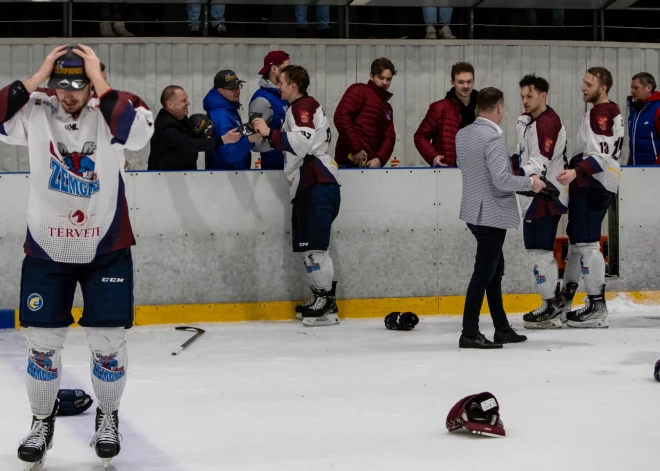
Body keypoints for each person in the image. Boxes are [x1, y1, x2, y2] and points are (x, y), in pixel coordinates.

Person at [0, 44, 154, 468]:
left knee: (107, 344)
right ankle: (40, 422)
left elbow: (138, 136)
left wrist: (99, 81)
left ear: (93, 81)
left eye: (78, 84)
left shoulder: (118, 106)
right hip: (48, 249)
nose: (67, 94)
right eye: (60, 84)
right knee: (42, 346)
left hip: (106, 247)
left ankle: (107, 417)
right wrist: (39, 73)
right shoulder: (35, 108)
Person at [455, 87, 545, 349]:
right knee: (484, 274)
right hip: (491, 214)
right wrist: (532, 183)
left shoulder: (464, 134)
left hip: (474, 211)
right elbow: (502, 180)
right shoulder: (492, 138)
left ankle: (502, 328)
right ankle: (469, 332)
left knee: (494, 272)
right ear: (499, 108)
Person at [252, 65, 341, 327]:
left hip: (316, 182)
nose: (277, 86)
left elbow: (302, 143)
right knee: (309, 250)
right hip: (308, 184)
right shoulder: (299, 107)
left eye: (281, 82)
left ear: (294, 85)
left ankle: (326, 302)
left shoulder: (303, 106)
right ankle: (319, 297)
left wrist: (270, 133)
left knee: (316, 248)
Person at [556, 67, 624, 328]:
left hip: (594, 182)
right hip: (595, 181)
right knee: (576, 243)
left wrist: (576, 171)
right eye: (583, 82)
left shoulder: (601, 113)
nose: (583, 87)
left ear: (603, 88)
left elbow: (600, 155)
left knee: (586, 244)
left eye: (588, 84)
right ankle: (566, 300)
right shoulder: (605, 111)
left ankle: (597, 305)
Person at [511, 75, 570, 329]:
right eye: (522, 96)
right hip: (536, 195)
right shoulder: (527, 121)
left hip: (547, 195)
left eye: (530, 96)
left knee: (539, 252)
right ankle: (553, 303)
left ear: (543, 96)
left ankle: (552, 305)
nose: (524, 101)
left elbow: (538, 165)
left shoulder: (547, 123)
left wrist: (511, 176)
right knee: (537, 251)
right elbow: (521, 154)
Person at [148, 85, 240, 170]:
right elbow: (189, 144)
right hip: (163, 180)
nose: (188, 103)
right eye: (183, 100)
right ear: (170, 104)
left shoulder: (180, 117)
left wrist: (202, 136)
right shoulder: (165, 125)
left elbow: (188, 139)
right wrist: (223, 139)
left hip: (181, 177)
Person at [334, 58, 396, 168]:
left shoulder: (387, 107)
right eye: (381, 78)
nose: (385, 83)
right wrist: (356, 149)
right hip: (349, 161)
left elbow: (389, 136)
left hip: (371, 165)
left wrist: (379, 159)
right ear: (371, 76)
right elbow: (341, 117)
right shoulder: (359, 90)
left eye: (388, 79)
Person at [414, 62, 478, 167]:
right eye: (461, 82)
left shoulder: (483, 107)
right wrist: (433, 157)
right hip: (448, 171)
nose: (466, 86)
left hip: (477, 171)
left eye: (469, 82)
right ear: (452, 82)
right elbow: (420, 136)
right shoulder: (439, 108)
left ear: (473, 81)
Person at [203, 70, 261, 170]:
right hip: (227, 176)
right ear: (220, 90)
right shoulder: (220, 115)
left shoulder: (229, 107)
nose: (237, 91)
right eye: (232, 88)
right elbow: (229, 154)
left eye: (238, 87)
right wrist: (251, 138)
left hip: (232, 173)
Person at [248, 50, 291, 170]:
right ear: (274, 69)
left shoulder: (286, 95)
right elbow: (254, 142)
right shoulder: (261, 100)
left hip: (291, 167)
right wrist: (283, 143)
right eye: (287, 69)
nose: (290, 73)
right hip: (274, 170)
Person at [627, 72, 660, 166]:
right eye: (632, 87)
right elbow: (633, 144)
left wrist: (656, 168)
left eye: (636, 88)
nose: (632, 91)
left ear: (648, 88)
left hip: (654, 172)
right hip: (636, 170)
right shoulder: (634, 111)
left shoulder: (658, 109)